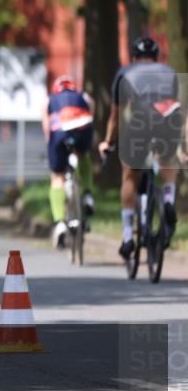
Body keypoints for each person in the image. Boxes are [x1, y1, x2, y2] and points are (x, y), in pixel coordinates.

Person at [98, 36, 182, 262]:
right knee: (167, 161)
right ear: (156, 57)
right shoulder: (169, 72)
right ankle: (168, 200)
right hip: (167, 118)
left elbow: (116, 115)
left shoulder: (125, 73)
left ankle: (127, 238)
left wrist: (108, 141)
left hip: (140, 120)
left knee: (130, 176)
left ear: (134, 57)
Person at [42, 75, 95, 249]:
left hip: (59, 132)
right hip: (82, 128)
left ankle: (59, 223)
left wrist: (51, 148)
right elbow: (91, 114)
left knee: (57, 177)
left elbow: (47, 129)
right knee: (84, 156)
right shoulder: (84, 97)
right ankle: (87, 194)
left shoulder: (49, 100)